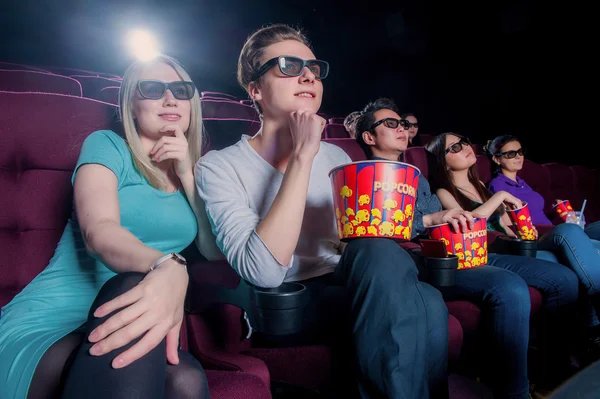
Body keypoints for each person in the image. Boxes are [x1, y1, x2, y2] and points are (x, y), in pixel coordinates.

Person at [196, 24, 455, 398]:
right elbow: (265, 273)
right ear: (255, 89)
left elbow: (357, 248)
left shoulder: (335, 156)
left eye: (313, 68)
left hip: (352, 282)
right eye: (287, 65)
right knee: (423, 301)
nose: (307, 75)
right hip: (287, 302)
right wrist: (303, 155)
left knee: (418, 289)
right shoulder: (218, 166)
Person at [0, 54, 220, 399]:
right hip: (57, 317)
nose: (170, 98)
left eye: (180, 89)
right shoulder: (107, 146)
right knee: (134, 282)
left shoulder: (194, 173)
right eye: (152, 89)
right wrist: (167, 265)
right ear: (131, 105)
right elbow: (98, 232)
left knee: (186, 382)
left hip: (135, 317)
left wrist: (188, 173)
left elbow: (210, 249)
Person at [355, 98, 578, 399]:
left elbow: (444, 224)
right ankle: (514, 392)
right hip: (420, 260)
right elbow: (378, 225)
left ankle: (556, 373)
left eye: (404, 124)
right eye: (391, 124)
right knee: (510, 286)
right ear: (369, 137)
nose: (402, 128)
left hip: (459, 249)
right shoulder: (363, 175)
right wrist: (434, 219)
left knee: (561, 278)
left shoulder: (417, 177)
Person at [486, 134, 600, 360]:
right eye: (510, 154)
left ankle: (592, 325)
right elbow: (509, 224)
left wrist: (557, 211)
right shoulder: (498, 185)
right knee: (589, 244)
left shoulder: (522, 182)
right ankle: (595, 322)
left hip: (553, 232)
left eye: (520, 152)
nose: (518, 157)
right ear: (497, 159)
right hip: (537, 239)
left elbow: (538, 212)